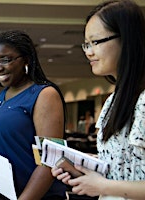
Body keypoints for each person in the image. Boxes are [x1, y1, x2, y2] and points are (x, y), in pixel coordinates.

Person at [52, 0, 145, 199]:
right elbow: (124, 167)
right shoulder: (114, 100)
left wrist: (103, 186)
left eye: (95, 42)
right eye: (86, 44)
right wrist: (84, 170)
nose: (88, 51)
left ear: (126, 39)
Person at [0, 30, 67, 199]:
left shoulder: (44, 94)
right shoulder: (1, 97)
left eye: (5, 60)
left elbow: (50, 161)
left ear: (26, 60)